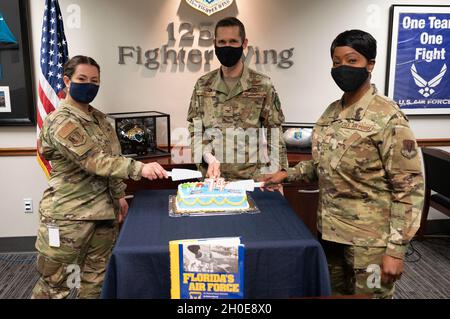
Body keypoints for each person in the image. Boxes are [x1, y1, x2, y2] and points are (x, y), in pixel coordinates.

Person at [262, 30, 424, 298]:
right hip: (330, 233)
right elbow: (323, 164)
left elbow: (409, 189)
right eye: (336, 62)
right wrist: (286, 175)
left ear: (369, 64)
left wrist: (396, 250)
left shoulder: (388, 117)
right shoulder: (331, 112)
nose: (342, 68)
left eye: (352, 60)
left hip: (370, 242)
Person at [32, 55, 168, 299]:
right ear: (66, 81)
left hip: (103, 215)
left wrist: (119, 196)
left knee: (96, 283)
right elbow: (94, 161)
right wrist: (140, 169)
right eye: (82, 79)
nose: (89, 85)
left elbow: (113, 158)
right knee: (55, 286)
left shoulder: (101, 120)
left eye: (94, 80)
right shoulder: (61, 121)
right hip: (69, 217)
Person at [187, 17, 288, 181]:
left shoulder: (262, 85)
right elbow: (195, 129)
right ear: (215, 44)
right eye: (222, 41)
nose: (227, 46)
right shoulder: (203, 85)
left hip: (250, 180)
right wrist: (208, 157)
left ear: (244, 43)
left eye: (233, 41)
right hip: (212, 179)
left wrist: (277, 172)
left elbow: (274, 130)